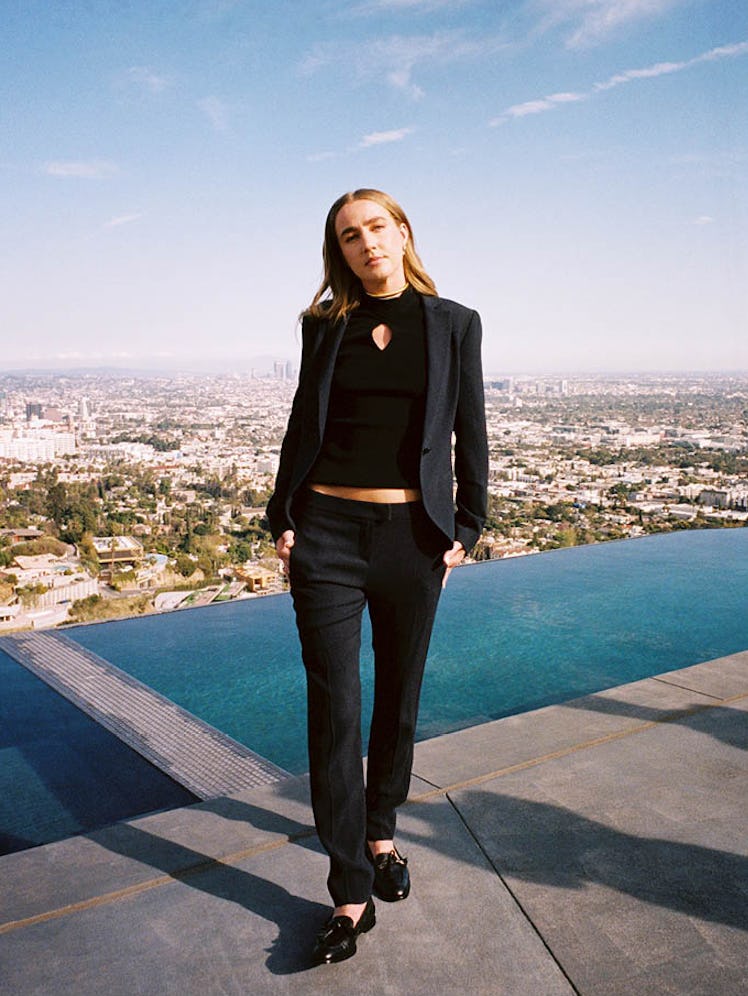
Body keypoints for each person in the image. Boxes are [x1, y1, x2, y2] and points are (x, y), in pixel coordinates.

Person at [266, 188, 488, 965]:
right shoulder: (324, 325)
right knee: (335, 706)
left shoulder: (455, 323)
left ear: (403, 233)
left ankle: (383, 829)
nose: (366, 245)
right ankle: (350, 890)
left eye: (377, 229)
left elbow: (469, 428)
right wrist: (282, 516)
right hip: (326, 529)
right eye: (350, 236)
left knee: (399, 694)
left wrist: (468, 527)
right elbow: (304, 419)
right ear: (341, 251)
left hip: (412, 537)